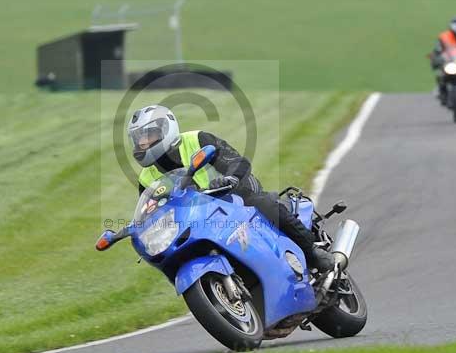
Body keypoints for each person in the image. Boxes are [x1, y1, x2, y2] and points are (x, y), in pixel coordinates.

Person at [127, 105, 334, 274]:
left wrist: (230, 178)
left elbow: (237, 161)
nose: (143, 143)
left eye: (149, 136)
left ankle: (311, 252)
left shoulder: (197, 140)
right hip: (199, 216)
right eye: (139, 139)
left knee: (261, 203)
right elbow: (153, 213)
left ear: (166, 129)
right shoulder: (146, 179)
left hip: (233, 193)